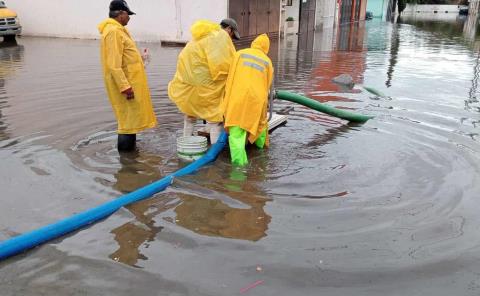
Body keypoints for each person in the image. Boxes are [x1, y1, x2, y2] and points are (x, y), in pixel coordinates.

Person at [98, 0, 157, 152]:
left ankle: (131, 157)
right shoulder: (113, 32)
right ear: (120, 14)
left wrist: (141, 59)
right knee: (127, 124)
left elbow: (125, 58)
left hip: (131, 83)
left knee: (131, 122)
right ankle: (127, 163)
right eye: (128, 14)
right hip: (126, 86)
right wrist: (125, 87)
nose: (129, 18)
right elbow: (113, 64)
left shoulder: (119, 31)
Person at [168, 19, 239, 144]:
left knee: (190, 113)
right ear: (229, 29)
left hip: (187, 82)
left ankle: (186, 144)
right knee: (214, 119)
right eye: (232, 35)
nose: (231, 39)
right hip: (205, 83)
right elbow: (222, 65)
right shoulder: (220, 35)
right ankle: (214, 154)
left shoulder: (202, 36)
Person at [222, 34, 274, 166]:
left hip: (238, 98)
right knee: (260, 124)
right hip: (256, 101)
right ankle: (262, 154)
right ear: (266, 48)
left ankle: (240, 169)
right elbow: (267, 85)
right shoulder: (268, 62)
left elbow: (231, 76)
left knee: (237, 134)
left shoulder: (240, 54)